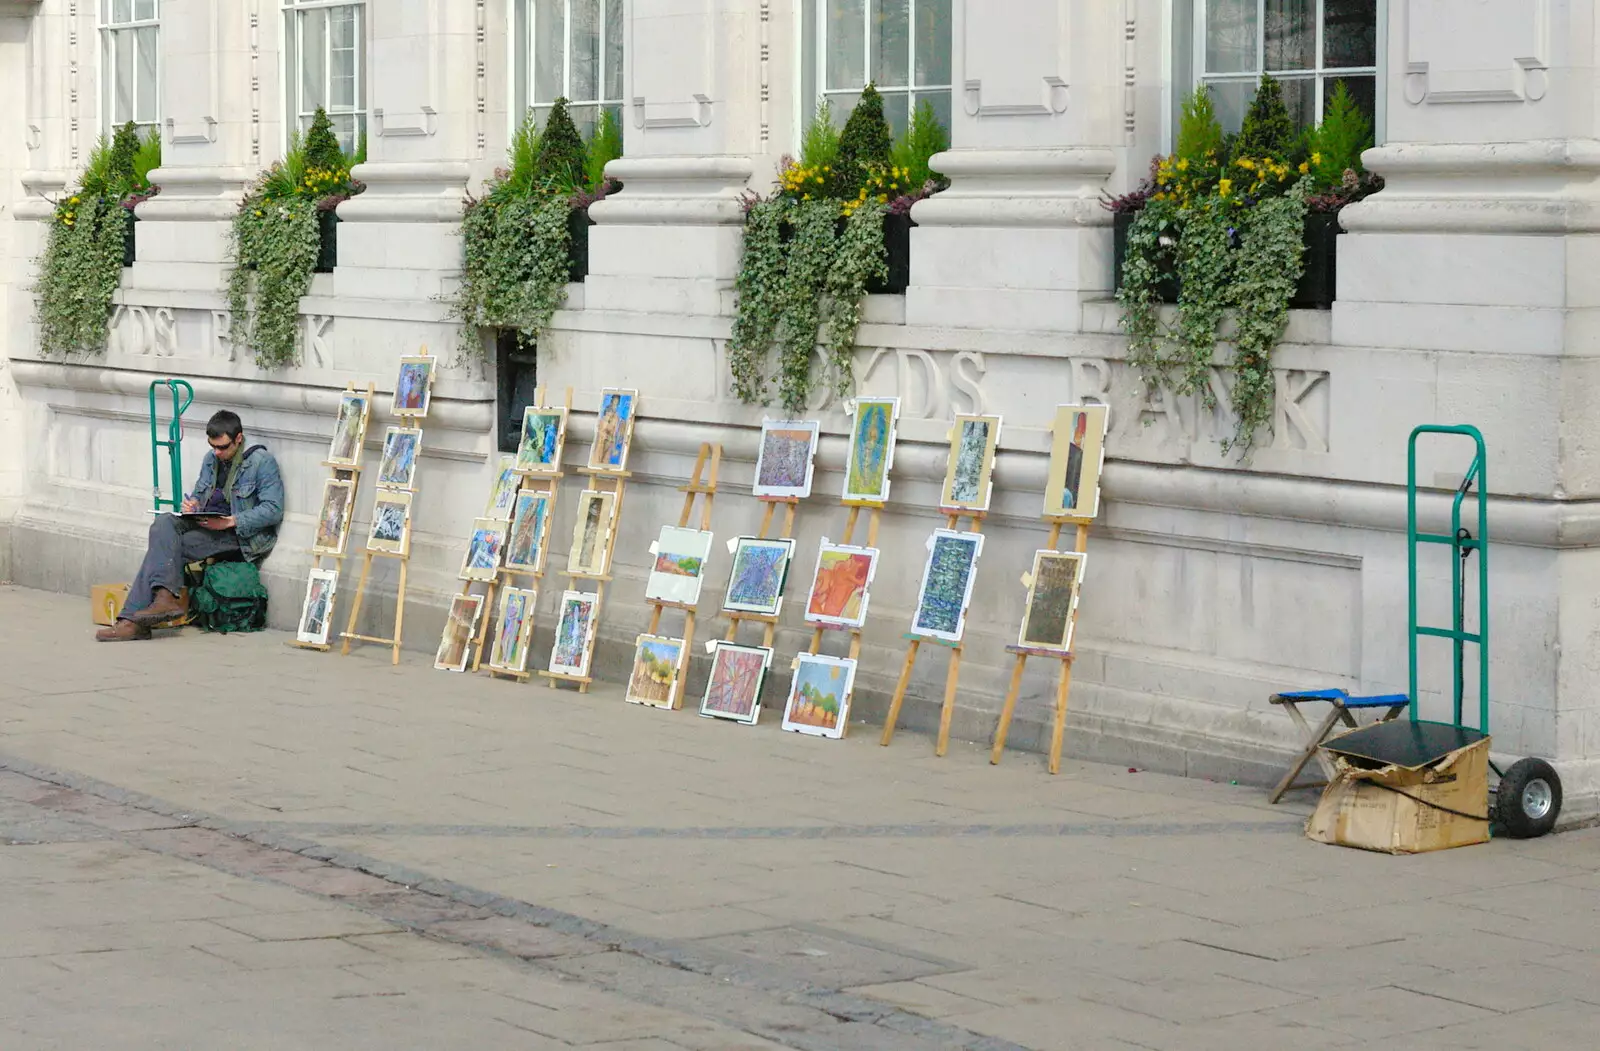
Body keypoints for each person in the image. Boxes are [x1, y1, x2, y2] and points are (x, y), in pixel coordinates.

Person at [97, 410, 285, 642]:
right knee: (163, 522)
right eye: (213, 446)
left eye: (223, 447)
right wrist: (192, 505)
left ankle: (135, 620)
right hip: (208, 523)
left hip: (239, 536)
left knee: (167, 545)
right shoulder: (211, 459)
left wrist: (230, 521)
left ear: (238, 438)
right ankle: (163, 599)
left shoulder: (261, 462)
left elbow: (273, 510)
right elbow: (199, 493)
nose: (217, 452)